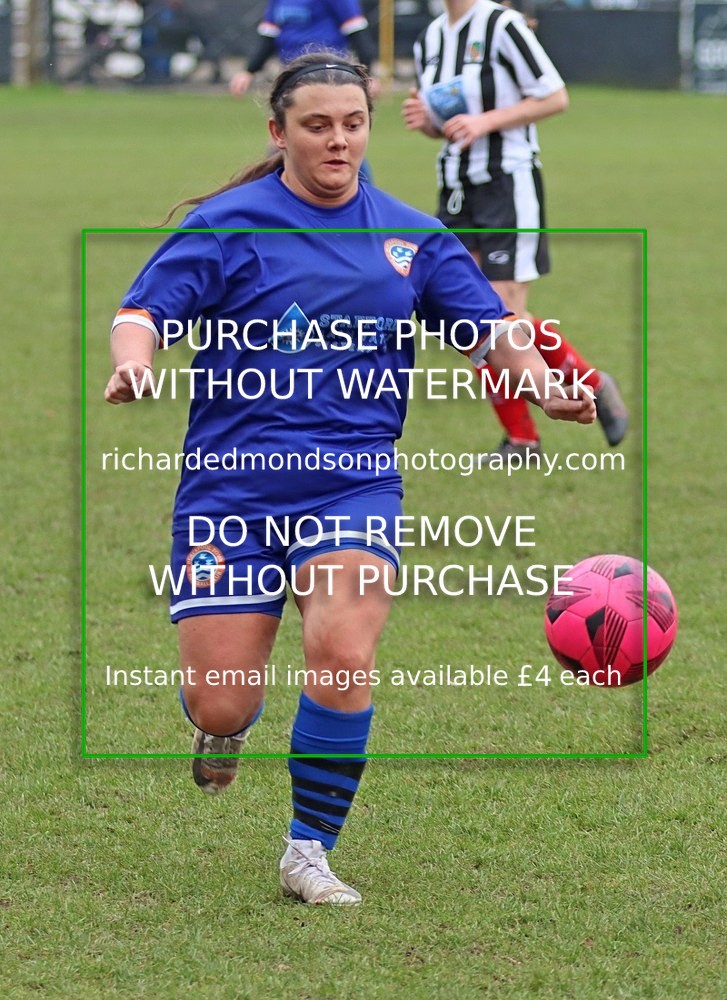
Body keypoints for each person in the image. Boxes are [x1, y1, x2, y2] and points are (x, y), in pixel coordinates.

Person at [104, 52, 595, 905]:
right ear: (278, 132)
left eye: (353, 123)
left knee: (342, 649)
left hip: (351, 482)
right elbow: (143, 312)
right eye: (316, 125)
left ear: (369, 125)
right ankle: (221, 733)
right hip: (231, 491)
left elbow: (490, 330)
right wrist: (134, 363)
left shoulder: (411, 238)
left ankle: (308, 851)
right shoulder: (229, 225)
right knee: (221, 701)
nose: (338, 140)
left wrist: (543, 384)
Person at [402, 0, 627, 465]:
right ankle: (569, 399)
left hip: (508, 184)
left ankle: (534, 431)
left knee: (503, 315)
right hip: (457, 190)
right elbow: (448, 125)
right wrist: (428, 123)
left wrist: (486, 121)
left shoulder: (500, 25)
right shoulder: (431, 38)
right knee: (471, 318)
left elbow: (554, 95)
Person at [229, 0, 378, 98]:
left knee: (312, 127)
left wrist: (367, 74)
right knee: (284, 133)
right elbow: (269, 36)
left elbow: (357, 31)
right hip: (291, 72)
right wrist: (249, 71)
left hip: (326, 72)